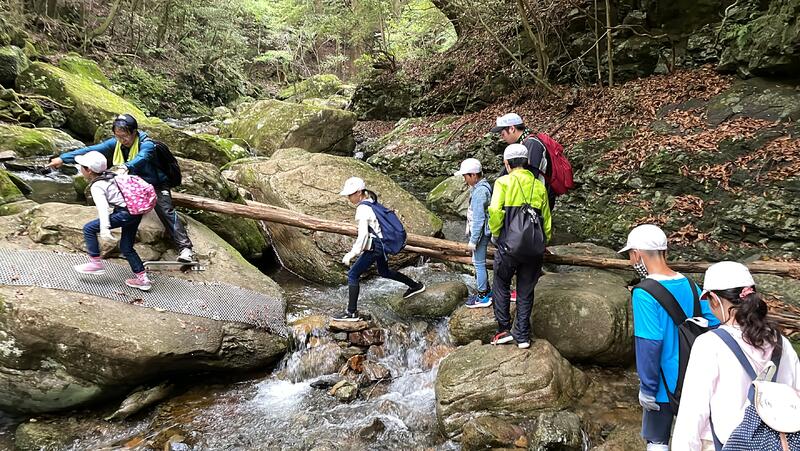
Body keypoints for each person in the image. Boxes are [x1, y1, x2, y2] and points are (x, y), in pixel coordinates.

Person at [672, 261, 800, 450]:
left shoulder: (710, 344)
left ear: (714, 299)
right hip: (777, 445)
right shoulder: (781, 342)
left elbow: (692, 415)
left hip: (726, 445)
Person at [619, 224, 720, 451]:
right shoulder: (691, 285)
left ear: (637, 254)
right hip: (695, 378)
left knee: (657, 440)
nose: (631, 261)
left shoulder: (643, 293)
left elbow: (649, 344)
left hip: (664, 386)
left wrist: (648, 388)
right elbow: (715, 323)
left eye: (630, 255)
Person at [48, 113, 195, 263]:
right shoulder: (116, 143)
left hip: (155, 184)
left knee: (165, 210)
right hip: (133, 185)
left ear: (134, 132)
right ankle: (126, 247)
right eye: (118, 136)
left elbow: (142, 157)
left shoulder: (147, 145)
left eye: (124, 136)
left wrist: (126, 166)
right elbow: (91, 150)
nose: (121, 140)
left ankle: (185, 249)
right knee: (120, 205)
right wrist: (63, 158)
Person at [336, 177, 425, 321]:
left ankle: (351, 312)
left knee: (353, 274)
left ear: (359, 192)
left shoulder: (362, 209)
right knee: (384, 272)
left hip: (375, 247)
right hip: (382, 245)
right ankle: (415, 286)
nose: (348, 198)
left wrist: (352, 253)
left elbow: (363, 235)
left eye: (350, 194)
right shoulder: (372, 202)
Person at [488, 143, 551, 349]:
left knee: (501, 283)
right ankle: (522, 335)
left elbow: (495, 211)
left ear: (507, 163)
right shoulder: (539, 186)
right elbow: (547, 221)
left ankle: (504, 330)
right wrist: (543, 242)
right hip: (533, 249)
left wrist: (496, 234)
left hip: (509, 246)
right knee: (525, 290)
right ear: (527, 162)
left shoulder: (503, 182)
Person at [72, 151, 151, 291]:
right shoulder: (111, 175)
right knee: (126, 247)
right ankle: (143, 279)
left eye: (81, 167)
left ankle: (95, 263)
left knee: (89, 228)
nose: (80, 169)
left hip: (125, 213)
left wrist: (104, 228)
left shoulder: (97, 186)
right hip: (134, 212)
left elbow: (103, 209)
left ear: (89, 170)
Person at [491, 112, 555, 209]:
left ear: (512, 129)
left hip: (537, 201)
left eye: (503, 133)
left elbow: (530, 175)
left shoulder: (532, 144)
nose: (502, 137)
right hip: (529, 200)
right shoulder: (524, 144)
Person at [455, 158, 493, 309]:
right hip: (484, 231)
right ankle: (487, 290)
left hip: (481, 234)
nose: (464, 180)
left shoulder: (480, 192)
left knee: (478, 263)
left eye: (465, 176)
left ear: (473, 175)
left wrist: (473, 241)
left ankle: (483, 295)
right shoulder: (482, 187)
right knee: (479, 262)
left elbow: (478, 219)